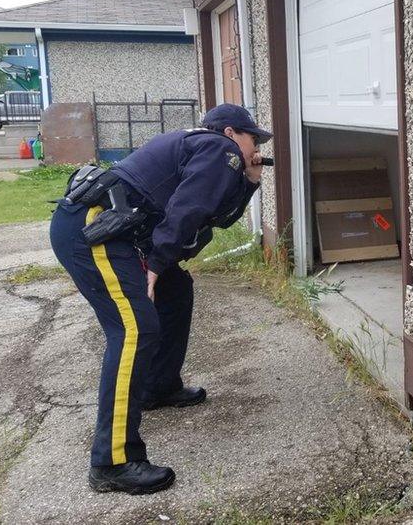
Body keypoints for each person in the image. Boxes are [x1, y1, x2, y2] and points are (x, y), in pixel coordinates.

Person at [49, 104, 271, 495]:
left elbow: (213, 215)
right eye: (254, 138)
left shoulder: (214, 154)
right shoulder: (220, 149)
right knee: (135, 330)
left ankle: (158, 387)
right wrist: (154, 265)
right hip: (96, 230)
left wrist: (251, 180)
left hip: (113, 230)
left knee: (175, 292)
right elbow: (188, 210)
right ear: (232, 131)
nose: (256, 147)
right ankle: (112, 461)